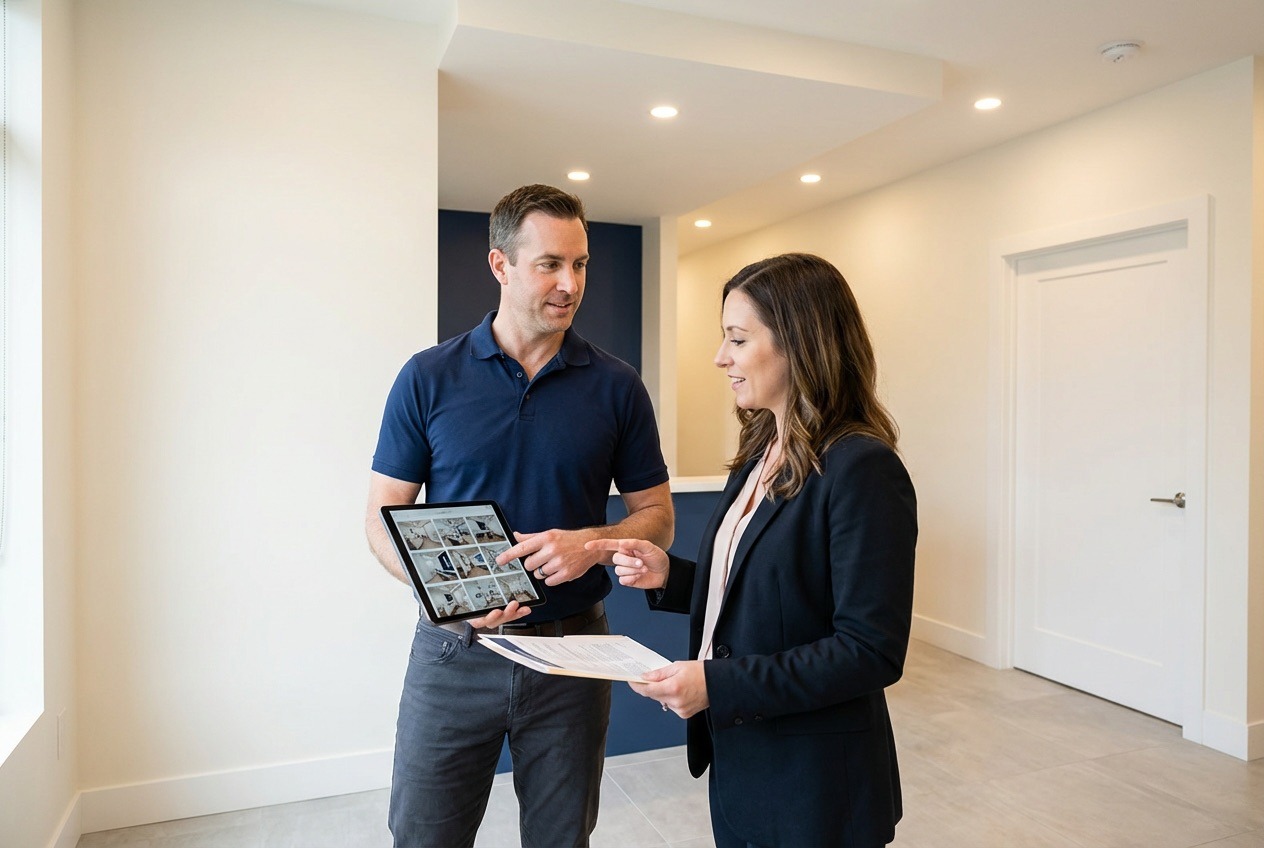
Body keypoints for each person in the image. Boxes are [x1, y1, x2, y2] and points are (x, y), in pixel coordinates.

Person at [365, 184, 674, 848]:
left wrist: (594, 542)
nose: (570, 283)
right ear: (501, 264)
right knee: (423, 836)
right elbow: (381, 519)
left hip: (572, 655)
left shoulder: (617, 386)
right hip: (454, 654)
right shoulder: (427, 377)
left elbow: (657, 515)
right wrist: (441, 595)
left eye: (581, 264)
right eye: (550, 264)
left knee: (562, 840)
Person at [587, 253, 917, 848]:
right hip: (745, 759)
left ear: (800, 343)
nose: (721, 358)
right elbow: (765, 590)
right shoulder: (760, 451)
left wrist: (719, 685)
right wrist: (674, 576)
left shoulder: (862, 469)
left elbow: (870, 650)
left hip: (815, 782)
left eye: (737, 339)